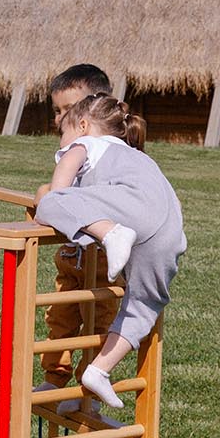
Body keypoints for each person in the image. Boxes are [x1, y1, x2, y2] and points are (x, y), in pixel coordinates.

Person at [35, 93, 186, 410]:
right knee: (144, 305)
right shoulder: (139, 157)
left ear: (83, 124)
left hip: (130, 215)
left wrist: (62, 207)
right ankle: (99, 371)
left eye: (63, 132)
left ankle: (110, 233)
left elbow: (60, 192)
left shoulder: (85, 144)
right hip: (169, 230)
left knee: (47, 202)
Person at [36, 65, 122, 411]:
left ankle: (89, 393)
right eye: (56, 111)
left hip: (104, 266)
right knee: (60, 320)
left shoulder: (113, 154)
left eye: (67, 110)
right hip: (72, 260)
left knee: (100, 325)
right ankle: (54, 378)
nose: (59, 119)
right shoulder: (72, 152)